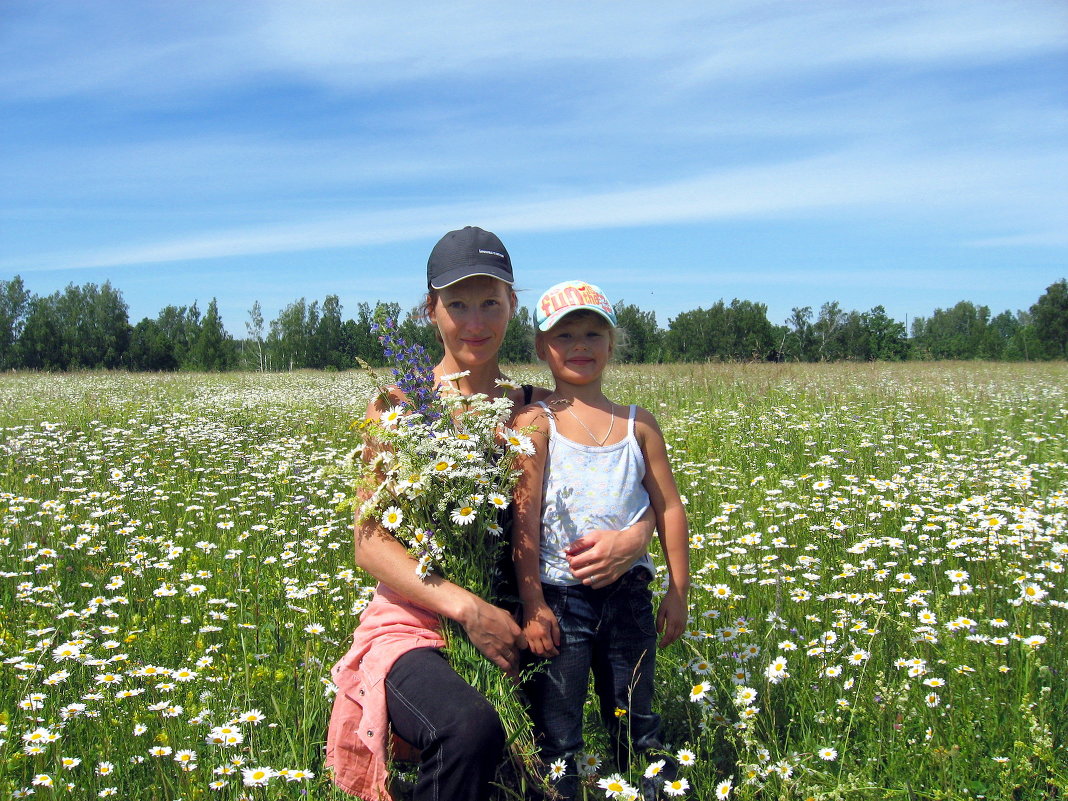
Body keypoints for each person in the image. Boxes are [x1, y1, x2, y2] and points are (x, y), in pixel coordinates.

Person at [325, 229, 655, 801]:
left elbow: (623, 487)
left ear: (512, 307)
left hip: (521, 626)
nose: (474, 322)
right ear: (431, 311)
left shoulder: (536, 408)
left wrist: (636, 538)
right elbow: (369, 543)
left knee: (538, 769)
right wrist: (467, 608)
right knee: (470, 728)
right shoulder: (399, 405)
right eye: (457, 304)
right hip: (418, 625)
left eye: (490, 303)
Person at [511, 280, 691, 800]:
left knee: (638, 725)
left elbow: (670, 509)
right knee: (559, 734)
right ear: (543, 348)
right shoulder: (536, 423)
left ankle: (655, 791)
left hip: (630, 599)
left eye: (593, 333)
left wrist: (678, 591)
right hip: (561, 600)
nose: (580, 346)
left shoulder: (639, 425)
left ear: (612, 344)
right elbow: (523, 522)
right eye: (564, 336)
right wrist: (533, 601)